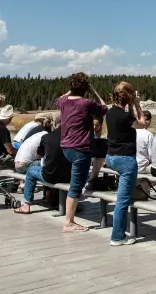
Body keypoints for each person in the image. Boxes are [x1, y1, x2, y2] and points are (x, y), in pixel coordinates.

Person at [56, 72, 107, 233]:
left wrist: (72, 90)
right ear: (85, 88)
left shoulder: (63, 101)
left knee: (75, 181)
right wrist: (94, 91)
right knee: (76, 186)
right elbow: (104, 108)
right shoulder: (86, 103)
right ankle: (69, 222)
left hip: (66, 147)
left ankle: (70, 216)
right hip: (81, 148)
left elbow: (58, 99)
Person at [105, 81, 147, 246]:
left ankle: (120, 232)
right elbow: (143, 123)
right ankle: (117, 237)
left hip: (111, 158)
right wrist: (137, 104)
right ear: (128, 98)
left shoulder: (110, 113)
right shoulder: (126, 116)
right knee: (122, 201)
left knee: (121, 199)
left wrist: (130, 103)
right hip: (126, 161)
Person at [14, 114, 72, 214]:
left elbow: (40, 154)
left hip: (51, 175)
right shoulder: (72, 137)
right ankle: (53, 198)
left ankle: (26, 205)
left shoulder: (47, 137)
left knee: (31, 171)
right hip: (68, 176)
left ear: (55, 124)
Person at [86, 116, 108, 189]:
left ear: (101, 125)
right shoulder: (89, 134)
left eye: (97, 125)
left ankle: (92, 181)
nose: (94, 127)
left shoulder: (104, 136)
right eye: (93, 125)